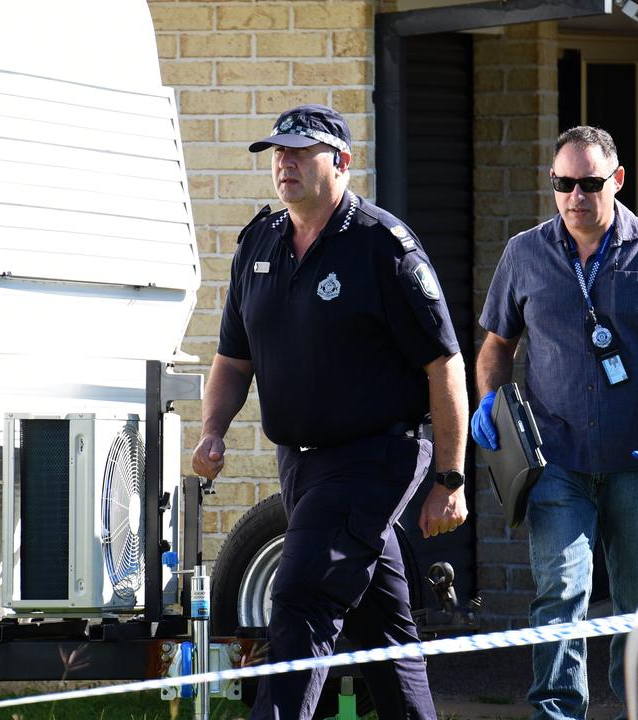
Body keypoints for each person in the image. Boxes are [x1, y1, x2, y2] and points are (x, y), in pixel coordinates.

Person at [190, 104, 469, 720]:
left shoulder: (384, 247)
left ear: (341, 162)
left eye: (299, 151)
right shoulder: (258, 244)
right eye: (276, 153)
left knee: (299, 601)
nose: (283, 162)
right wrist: (213, 431)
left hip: (374, 458)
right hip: (300, 464)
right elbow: (233, 361)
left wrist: (449, 478)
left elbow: (444, 365)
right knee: (385, 635)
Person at [470, 126, 638, 720]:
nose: (576, 196)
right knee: (560, 591)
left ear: (617, 181)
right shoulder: (525, 253)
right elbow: (496, 345)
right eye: (563, 183)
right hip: (556, 458)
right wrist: (493, 402)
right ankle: (556, 711)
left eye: (588, 183)